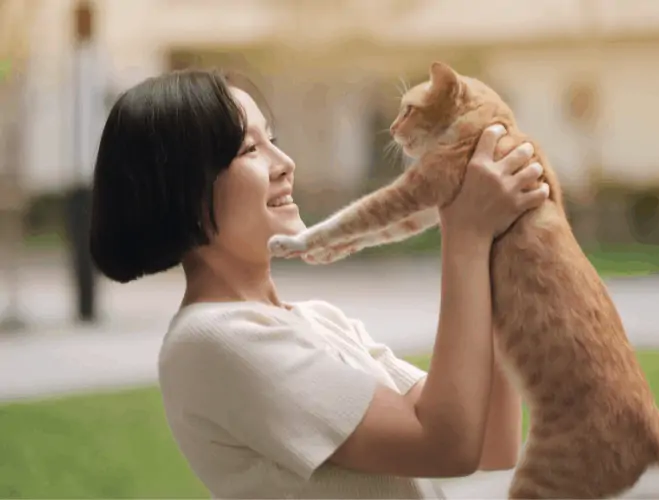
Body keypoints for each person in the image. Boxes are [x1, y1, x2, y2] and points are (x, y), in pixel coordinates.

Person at [89, 68, 549, 499]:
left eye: (273, 139)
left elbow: (491, 441)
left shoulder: (319, 320)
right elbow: (446, 446)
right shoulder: (214, 340)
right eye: (249, 149)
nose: (285, 162)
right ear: (183, 189)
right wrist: (467, 232)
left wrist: (498, 242)